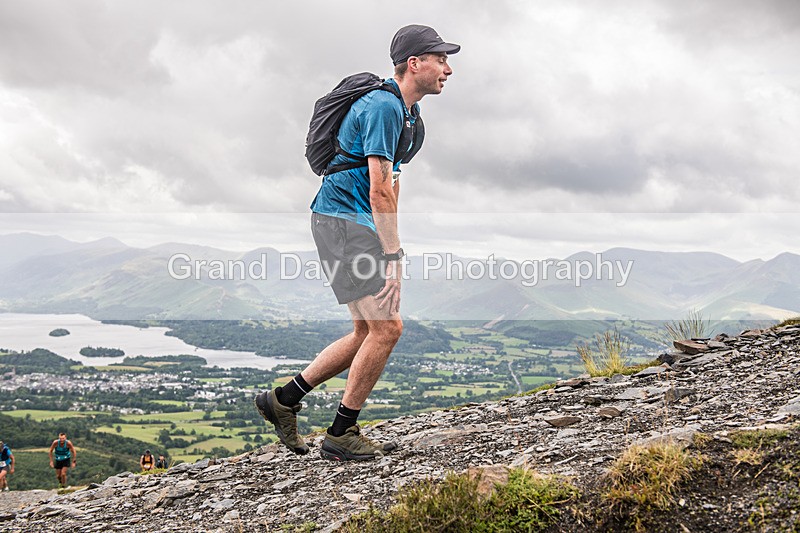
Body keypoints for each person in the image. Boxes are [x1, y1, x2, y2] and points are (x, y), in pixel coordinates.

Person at [256, 24, 459, 461]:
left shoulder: (408, 115)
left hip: (350, 223)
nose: (448, 69)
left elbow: (393, 183)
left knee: (367, 330)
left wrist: (390, 240)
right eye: (440, 59)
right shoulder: (383, 107)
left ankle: (283, 400)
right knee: (388, 328)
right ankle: (341, 433)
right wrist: (394, 256)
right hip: (343, 223)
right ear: (414, 63)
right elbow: (379, 189)